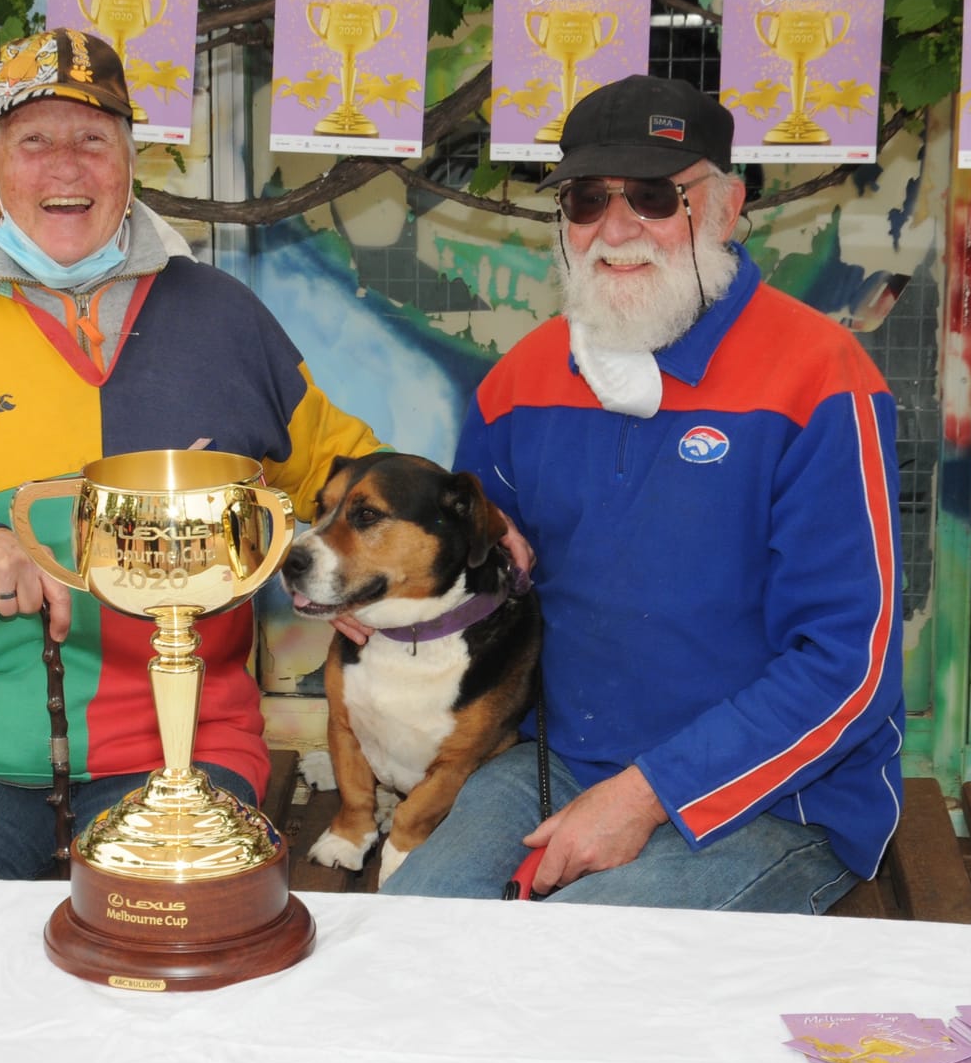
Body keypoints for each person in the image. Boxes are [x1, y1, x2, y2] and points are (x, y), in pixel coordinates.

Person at [0, 28, 382, 878]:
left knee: (179, 981)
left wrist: (433, 548)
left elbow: (347, 477)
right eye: (34, 142)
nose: (65, 167)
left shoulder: (223, 317)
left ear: (131, 163)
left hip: (188, 750)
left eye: (93, 141)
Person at [381, 74, 905, 912]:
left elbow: (853, 664)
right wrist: (377, 594)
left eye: (655, 196)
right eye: (587, 198)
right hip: (560, 759)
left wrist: (644, 795)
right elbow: (475, 577)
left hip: (775, 797)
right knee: (415, 934)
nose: (616, 228)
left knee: (582, 966)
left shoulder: (821, 375)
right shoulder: (521, 379)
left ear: (727, 209)